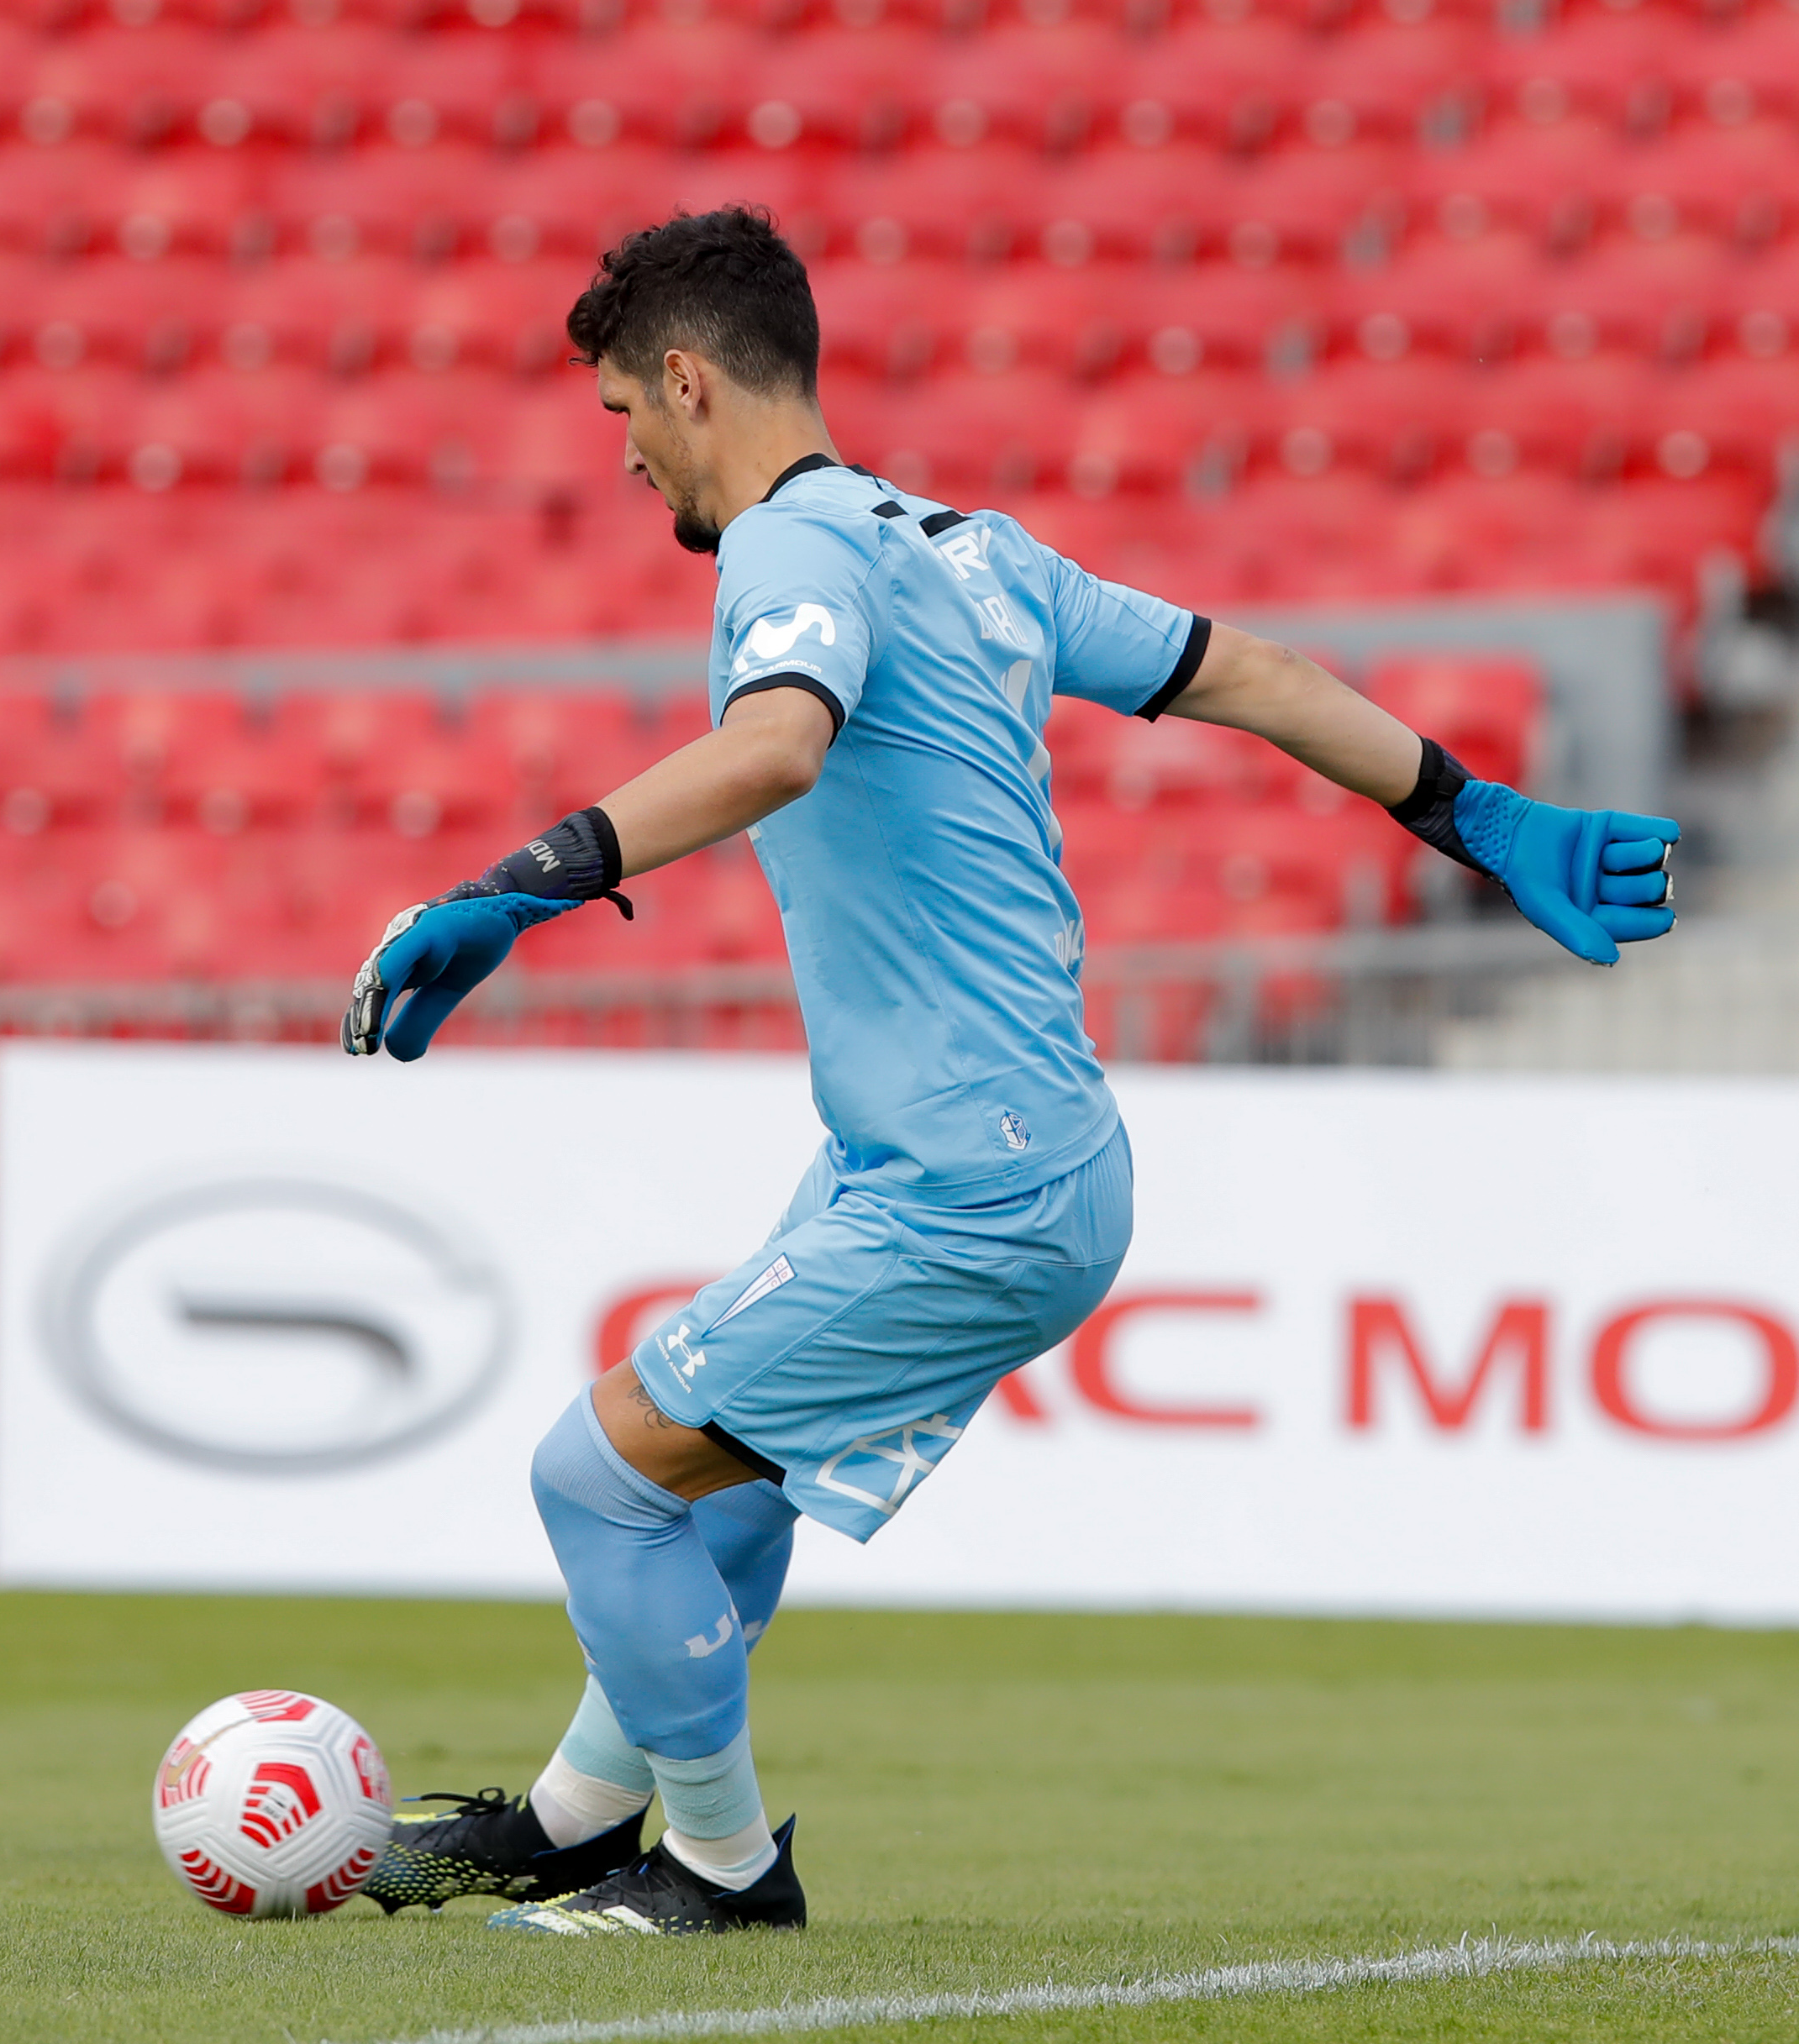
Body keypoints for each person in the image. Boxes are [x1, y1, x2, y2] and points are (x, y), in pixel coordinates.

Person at [344, 208, 1680, 1936]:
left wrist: (522, 880)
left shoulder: (787, 553)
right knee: (716, 1471)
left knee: (594, 1468)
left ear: (683, 379)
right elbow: (1253, 672)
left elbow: (772, 743)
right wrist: (1465, 807)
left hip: (969, 1181)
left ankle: (721, 1871)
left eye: (621, 418)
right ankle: (582, 1812)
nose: (627, 461)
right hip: (983, 1153)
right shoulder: (977, 551)